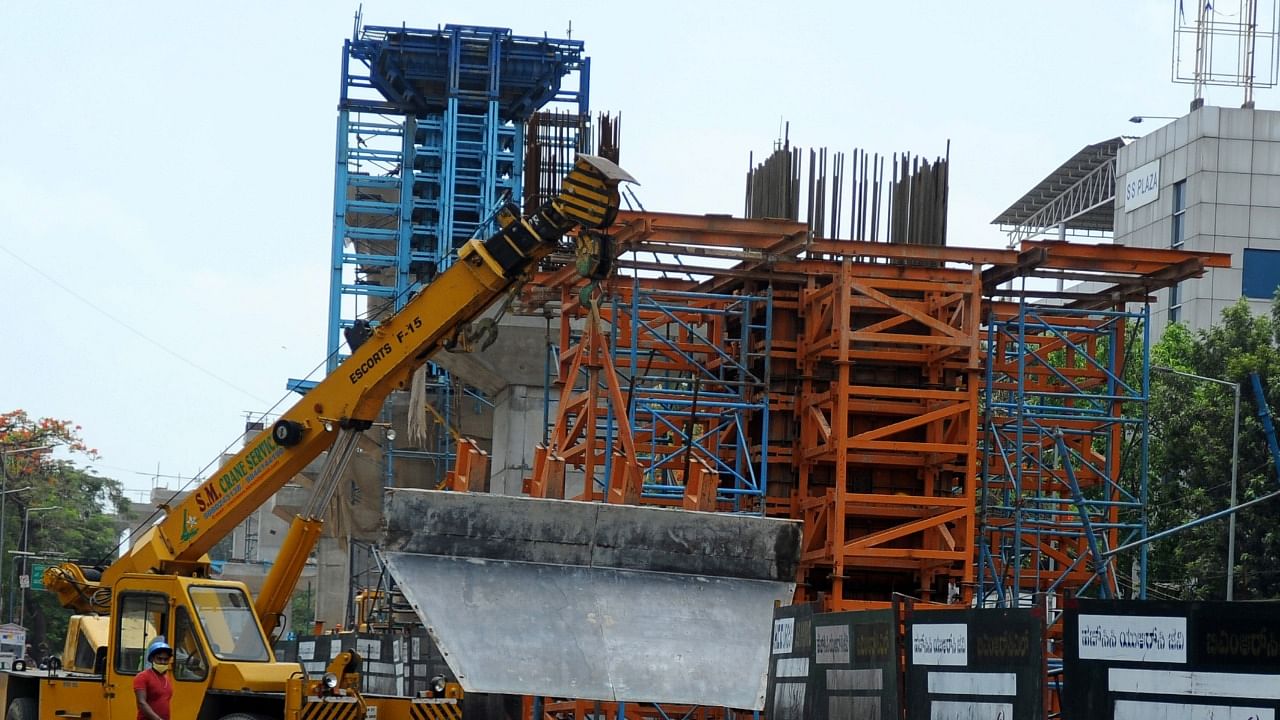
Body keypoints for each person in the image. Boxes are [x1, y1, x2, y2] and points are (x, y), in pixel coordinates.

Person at [134, 639, 173, 720]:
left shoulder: (166, 679)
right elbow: (141, 703)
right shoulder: (142, 677)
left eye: (166, 659)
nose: (162, 662)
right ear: (152, 659)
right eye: (159, 658)